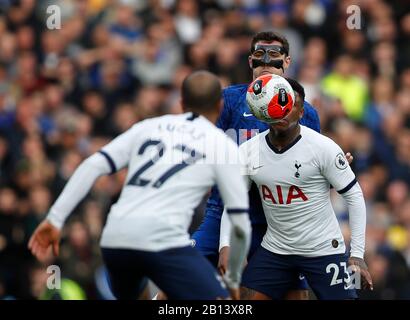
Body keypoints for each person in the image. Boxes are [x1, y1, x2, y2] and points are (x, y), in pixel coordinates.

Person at [28, 71, 252, 300]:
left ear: (181, 102)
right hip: (163, 241)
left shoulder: (149, 127)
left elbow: (93, 164)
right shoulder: (223, 146)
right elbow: (238, 219)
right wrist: (233, 278)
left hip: (115, 240)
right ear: (220, 104)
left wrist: (54, 219)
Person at [191, 30, 353, 299]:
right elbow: (198, 145)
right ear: (249, 61)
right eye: (259, 54)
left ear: (287, 62)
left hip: (279, 222)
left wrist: (333, 168)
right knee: (181, 278)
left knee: (292, 297)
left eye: (274, 55)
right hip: (227, 212)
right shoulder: (226, 101)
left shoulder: (305, 111)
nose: (266, 61)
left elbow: (309, 165)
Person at [219, 78, 373, 299]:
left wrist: (357, 255)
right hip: (277, 249)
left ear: (301, 113)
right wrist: (225, 244)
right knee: (243, 297)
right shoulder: (248, 151)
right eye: (279, 103)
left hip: (324, 249)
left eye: (291, 105)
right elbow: (233, 201)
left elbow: (355, 195)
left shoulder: (323, 148)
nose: (284, 110)